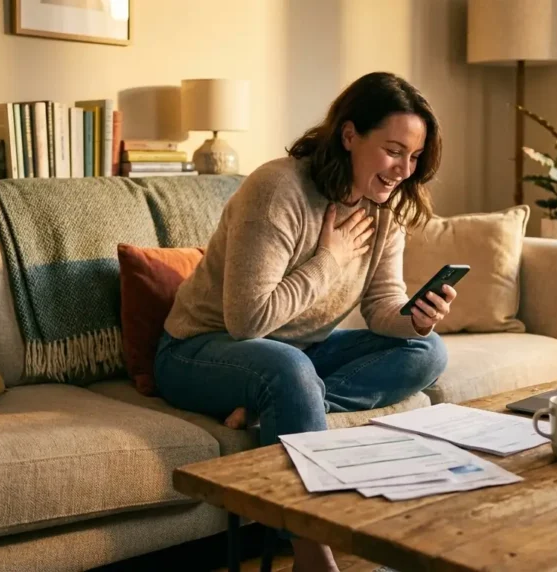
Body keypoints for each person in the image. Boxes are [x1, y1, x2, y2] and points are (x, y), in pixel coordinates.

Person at [154, 71, 453, 571]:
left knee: (430, 352)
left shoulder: (385, 208)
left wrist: (416, 319)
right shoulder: (278, 189)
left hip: (297, 351)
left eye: (415, 156)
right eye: (393, 150)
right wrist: (328, 262)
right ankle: (314, 554)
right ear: (350, 134)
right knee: (288, 370)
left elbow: (382, 308)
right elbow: (248, 320)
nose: (404, 169)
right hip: (198, 349)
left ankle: (275, 407)